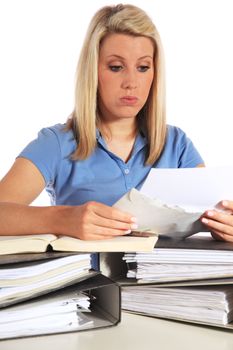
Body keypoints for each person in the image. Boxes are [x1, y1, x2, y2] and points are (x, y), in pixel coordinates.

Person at [0, 3, 233, 243]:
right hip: (89, 280)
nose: (131, 82)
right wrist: (62, 219)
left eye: (143, 67)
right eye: (116, 67)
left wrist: (224, 226)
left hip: (164, 279)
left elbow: (214, 215)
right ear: (93, 71)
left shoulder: (177, 145)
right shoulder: (57, 143)